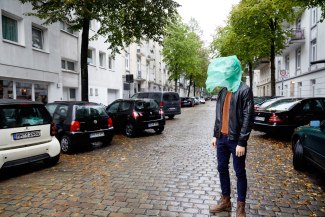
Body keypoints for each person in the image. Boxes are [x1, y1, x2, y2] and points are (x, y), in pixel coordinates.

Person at [205, 55, 254, 217]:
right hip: (222, 138)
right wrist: (215, 135)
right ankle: (226, 200)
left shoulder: (244, 90)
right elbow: (218, 115)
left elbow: (248, 116)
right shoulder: (223, 91)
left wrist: (242, 141)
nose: (226, 73)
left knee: (240, 172)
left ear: (235, 71)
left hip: (236, 140)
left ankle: (241, 206)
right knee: (221, 168)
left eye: (228, 70)